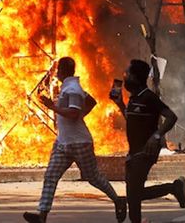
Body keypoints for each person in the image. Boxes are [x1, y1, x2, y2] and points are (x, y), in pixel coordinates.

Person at [24, 57, 127, 223]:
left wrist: (52, 107)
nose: (56, 72)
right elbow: (91, 102)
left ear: (63, 71)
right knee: (51, 176)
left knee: (93, 177)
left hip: (79, 142)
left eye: (58, 70)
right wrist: (81, 114)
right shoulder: (70, 87)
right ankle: (42, 215)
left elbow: (72, 114)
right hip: (63, 142)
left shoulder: (72, 89)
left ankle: (118, 200)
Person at [109, 59, 185, 223]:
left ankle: (173, 188)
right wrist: (120, 105)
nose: (125, 77)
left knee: (134, 196)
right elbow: (131, 120)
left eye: (128, 74)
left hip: (146, 151)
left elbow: (171, 117)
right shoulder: (133, 99)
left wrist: (157, 135)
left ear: (136, 78)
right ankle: (174, 187)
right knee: (134, 194)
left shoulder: (148, 97)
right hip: (134, 152)